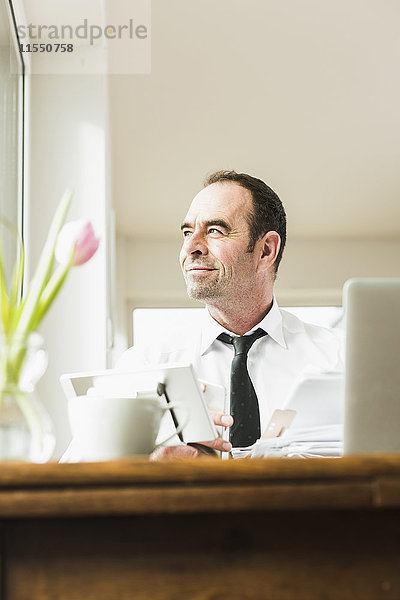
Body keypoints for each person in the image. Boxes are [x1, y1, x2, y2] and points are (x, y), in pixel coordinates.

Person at [116, 170, 343, 458]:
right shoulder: (143, 367)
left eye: (214, 230)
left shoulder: (341, 359)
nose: (191, 247)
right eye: (187, 232)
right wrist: (150, 464)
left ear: (266, 250)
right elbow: (76, 480)